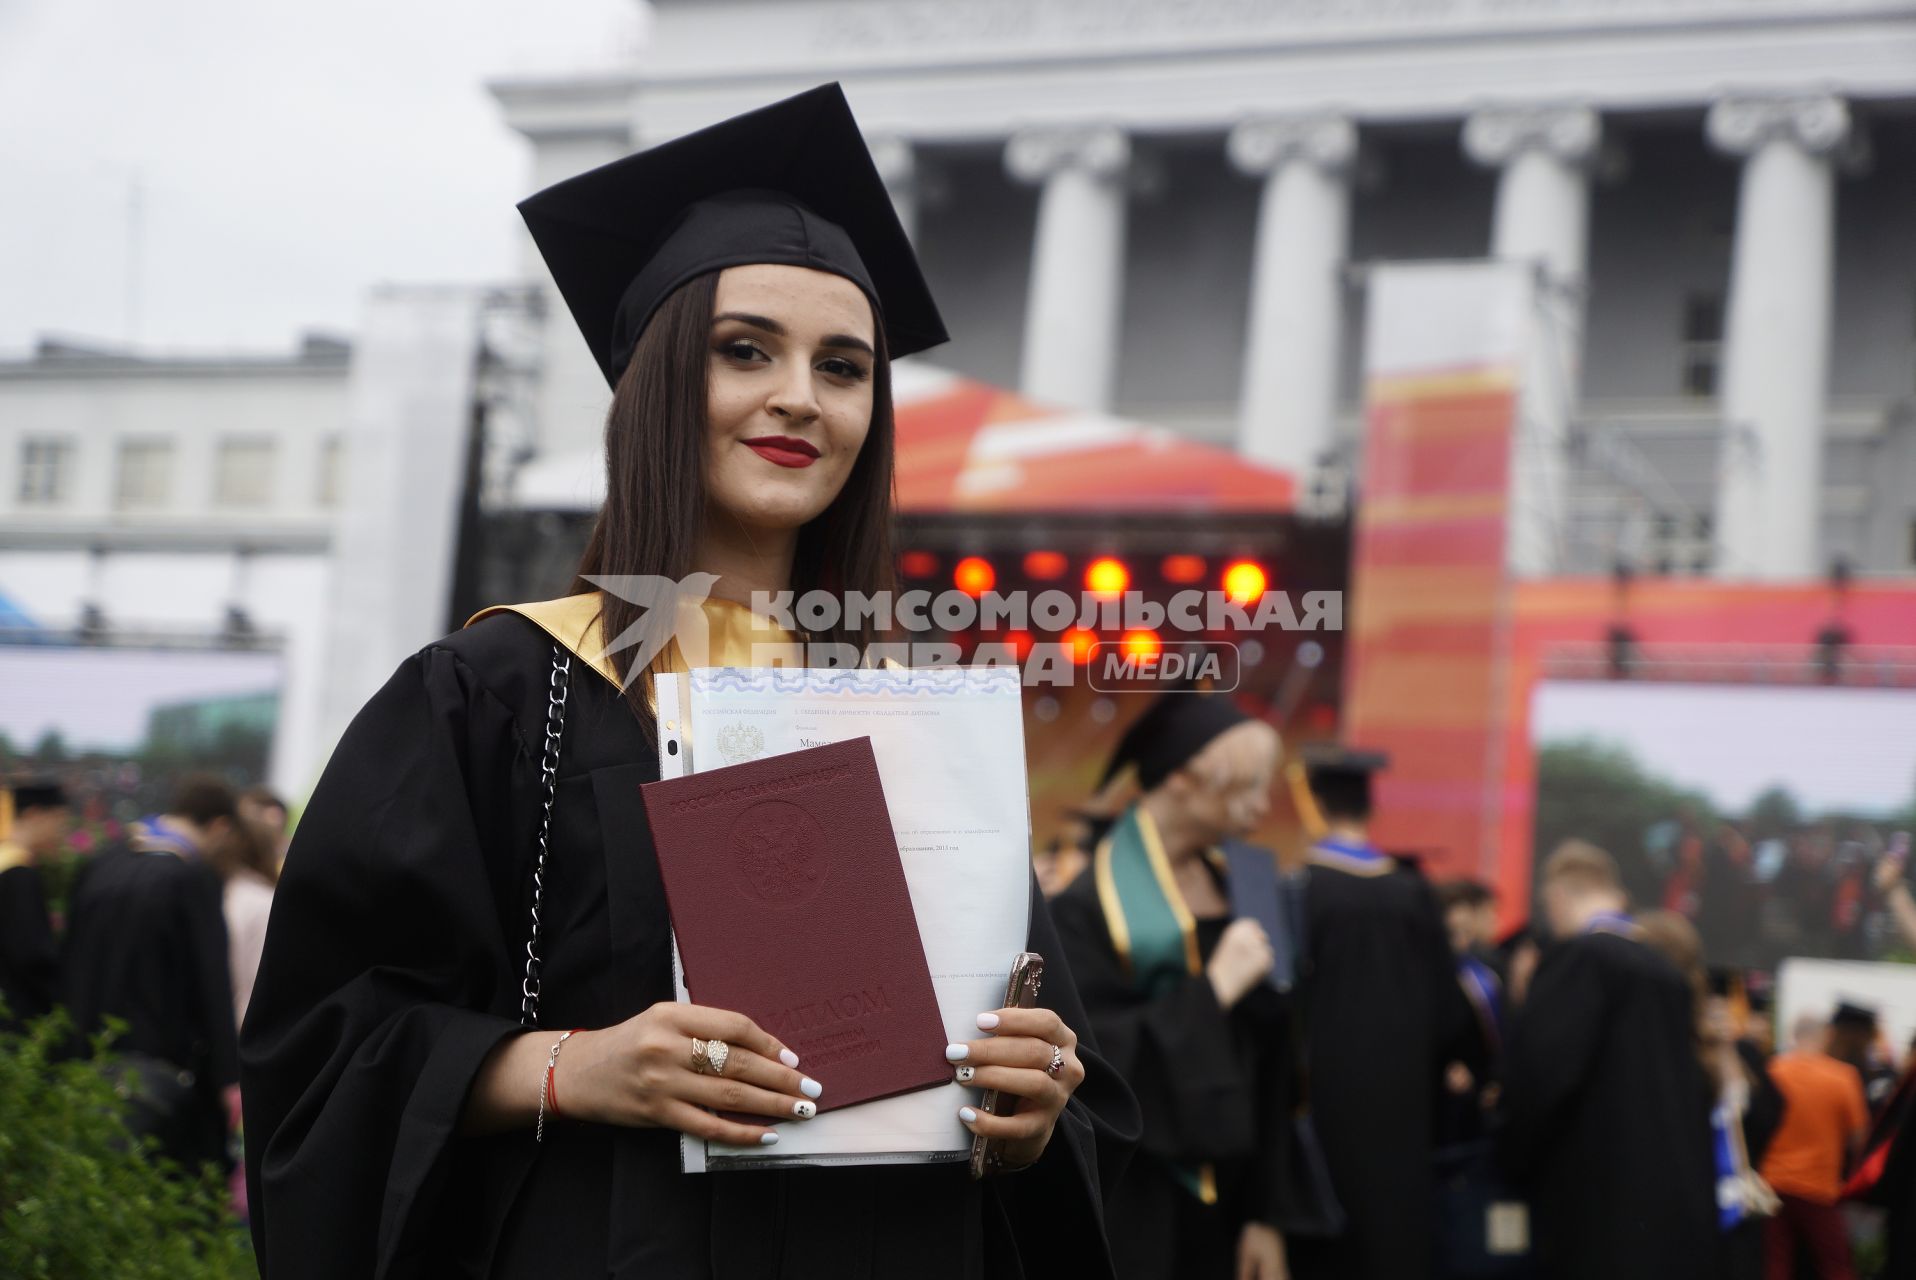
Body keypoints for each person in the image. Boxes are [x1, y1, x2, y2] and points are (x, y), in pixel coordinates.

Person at [241, 84, 1138, 1280]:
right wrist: (571, 1065)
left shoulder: (915, 722)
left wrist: (1036, 1107)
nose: (799, 398)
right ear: (659, 380)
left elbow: (1059, 1083)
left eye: (843, 367)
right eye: (744, 350)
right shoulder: (503, 692)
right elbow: (326, 1043)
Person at [1051, 690, 1291, 1280]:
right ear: (1183, 778)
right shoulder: (1087, 907)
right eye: (1244, 786)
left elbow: (1274, 1063)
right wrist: (1212, 991)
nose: (1261, 805)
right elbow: (1093, 1062)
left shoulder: (1246, 887)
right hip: (1137, 1196)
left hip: (1233, 1197)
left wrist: (1267, 1214)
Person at [1498, 840, 1718, 1280]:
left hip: (1596, 1201)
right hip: (1667, 1202)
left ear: (1558, 896)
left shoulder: (1580, 958)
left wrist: (1508, 1159)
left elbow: (1541, 1080)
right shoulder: (1665, 972)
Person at [1284, 745, 1461, 1280]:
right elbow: (1449, 1011)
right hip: (1405, 1108)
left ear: (1314, 802)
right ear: (1370, 807)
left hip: (1326, 1105)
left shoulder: (1303, 889)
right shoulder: (1413, 892)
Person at [61, 774, 243, 1172]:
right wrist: (227, 1077)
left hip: (87, 1058)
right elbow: (212, 986)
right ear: (219, 826)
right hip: (158, 1071)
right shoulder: (191, 878)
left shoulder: (103, 861)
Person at [1759, 1013, 1868, 1280]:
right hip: (1818, 1186)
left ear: (1793, 1035)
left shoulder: (1773, 1070)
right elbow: (1859, 1136)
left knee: (1775, 1264)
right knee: (1836, 1265)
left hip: (1772, 1184)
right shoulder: (1843, 1077)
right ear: (1826, 1036)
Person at [0, 778, 70, 1028]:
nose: (62, 833)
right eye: (59, 821)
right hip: (14, 1017)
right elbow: (32, 956)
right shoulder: (19, 874)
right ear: (34, 815)